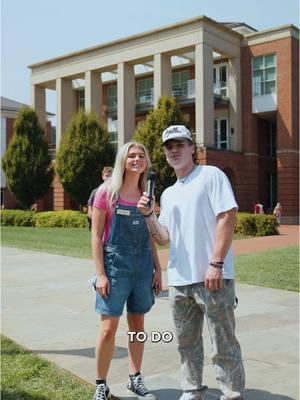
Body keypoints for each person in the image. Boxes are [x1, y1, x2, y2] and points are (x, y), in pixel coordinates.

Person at [137, 125, 245, 400]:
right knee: (186, 342)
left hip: (213, 276)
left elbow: (227, 217)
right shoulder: (169, 193)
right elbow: (163, 238)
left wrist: (216, 263)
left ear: (192, 148)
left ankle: (231, 393)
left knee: (222, 341)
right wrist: (149, 215)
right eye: (169, 147)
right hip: (180, 281)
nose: (174, 151)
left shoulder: (211, 175)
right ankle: (191, 389)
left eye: (179, 145)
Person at [91, 141, 162, 400]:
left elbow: (151, 233)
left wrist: (157, 268)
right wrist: (100, 274)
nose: (136, 159)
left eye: (140, 155)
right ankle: (101, 384)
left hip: (143, 267)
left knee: (137, 324)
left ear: (146, 162)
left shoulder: (148, 194)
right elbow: (96, 236)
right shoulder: (106, 192)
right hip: (114, 267)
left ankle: (135, 378)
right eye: (131, 155)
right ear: (123, 160)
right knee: (108, 327)